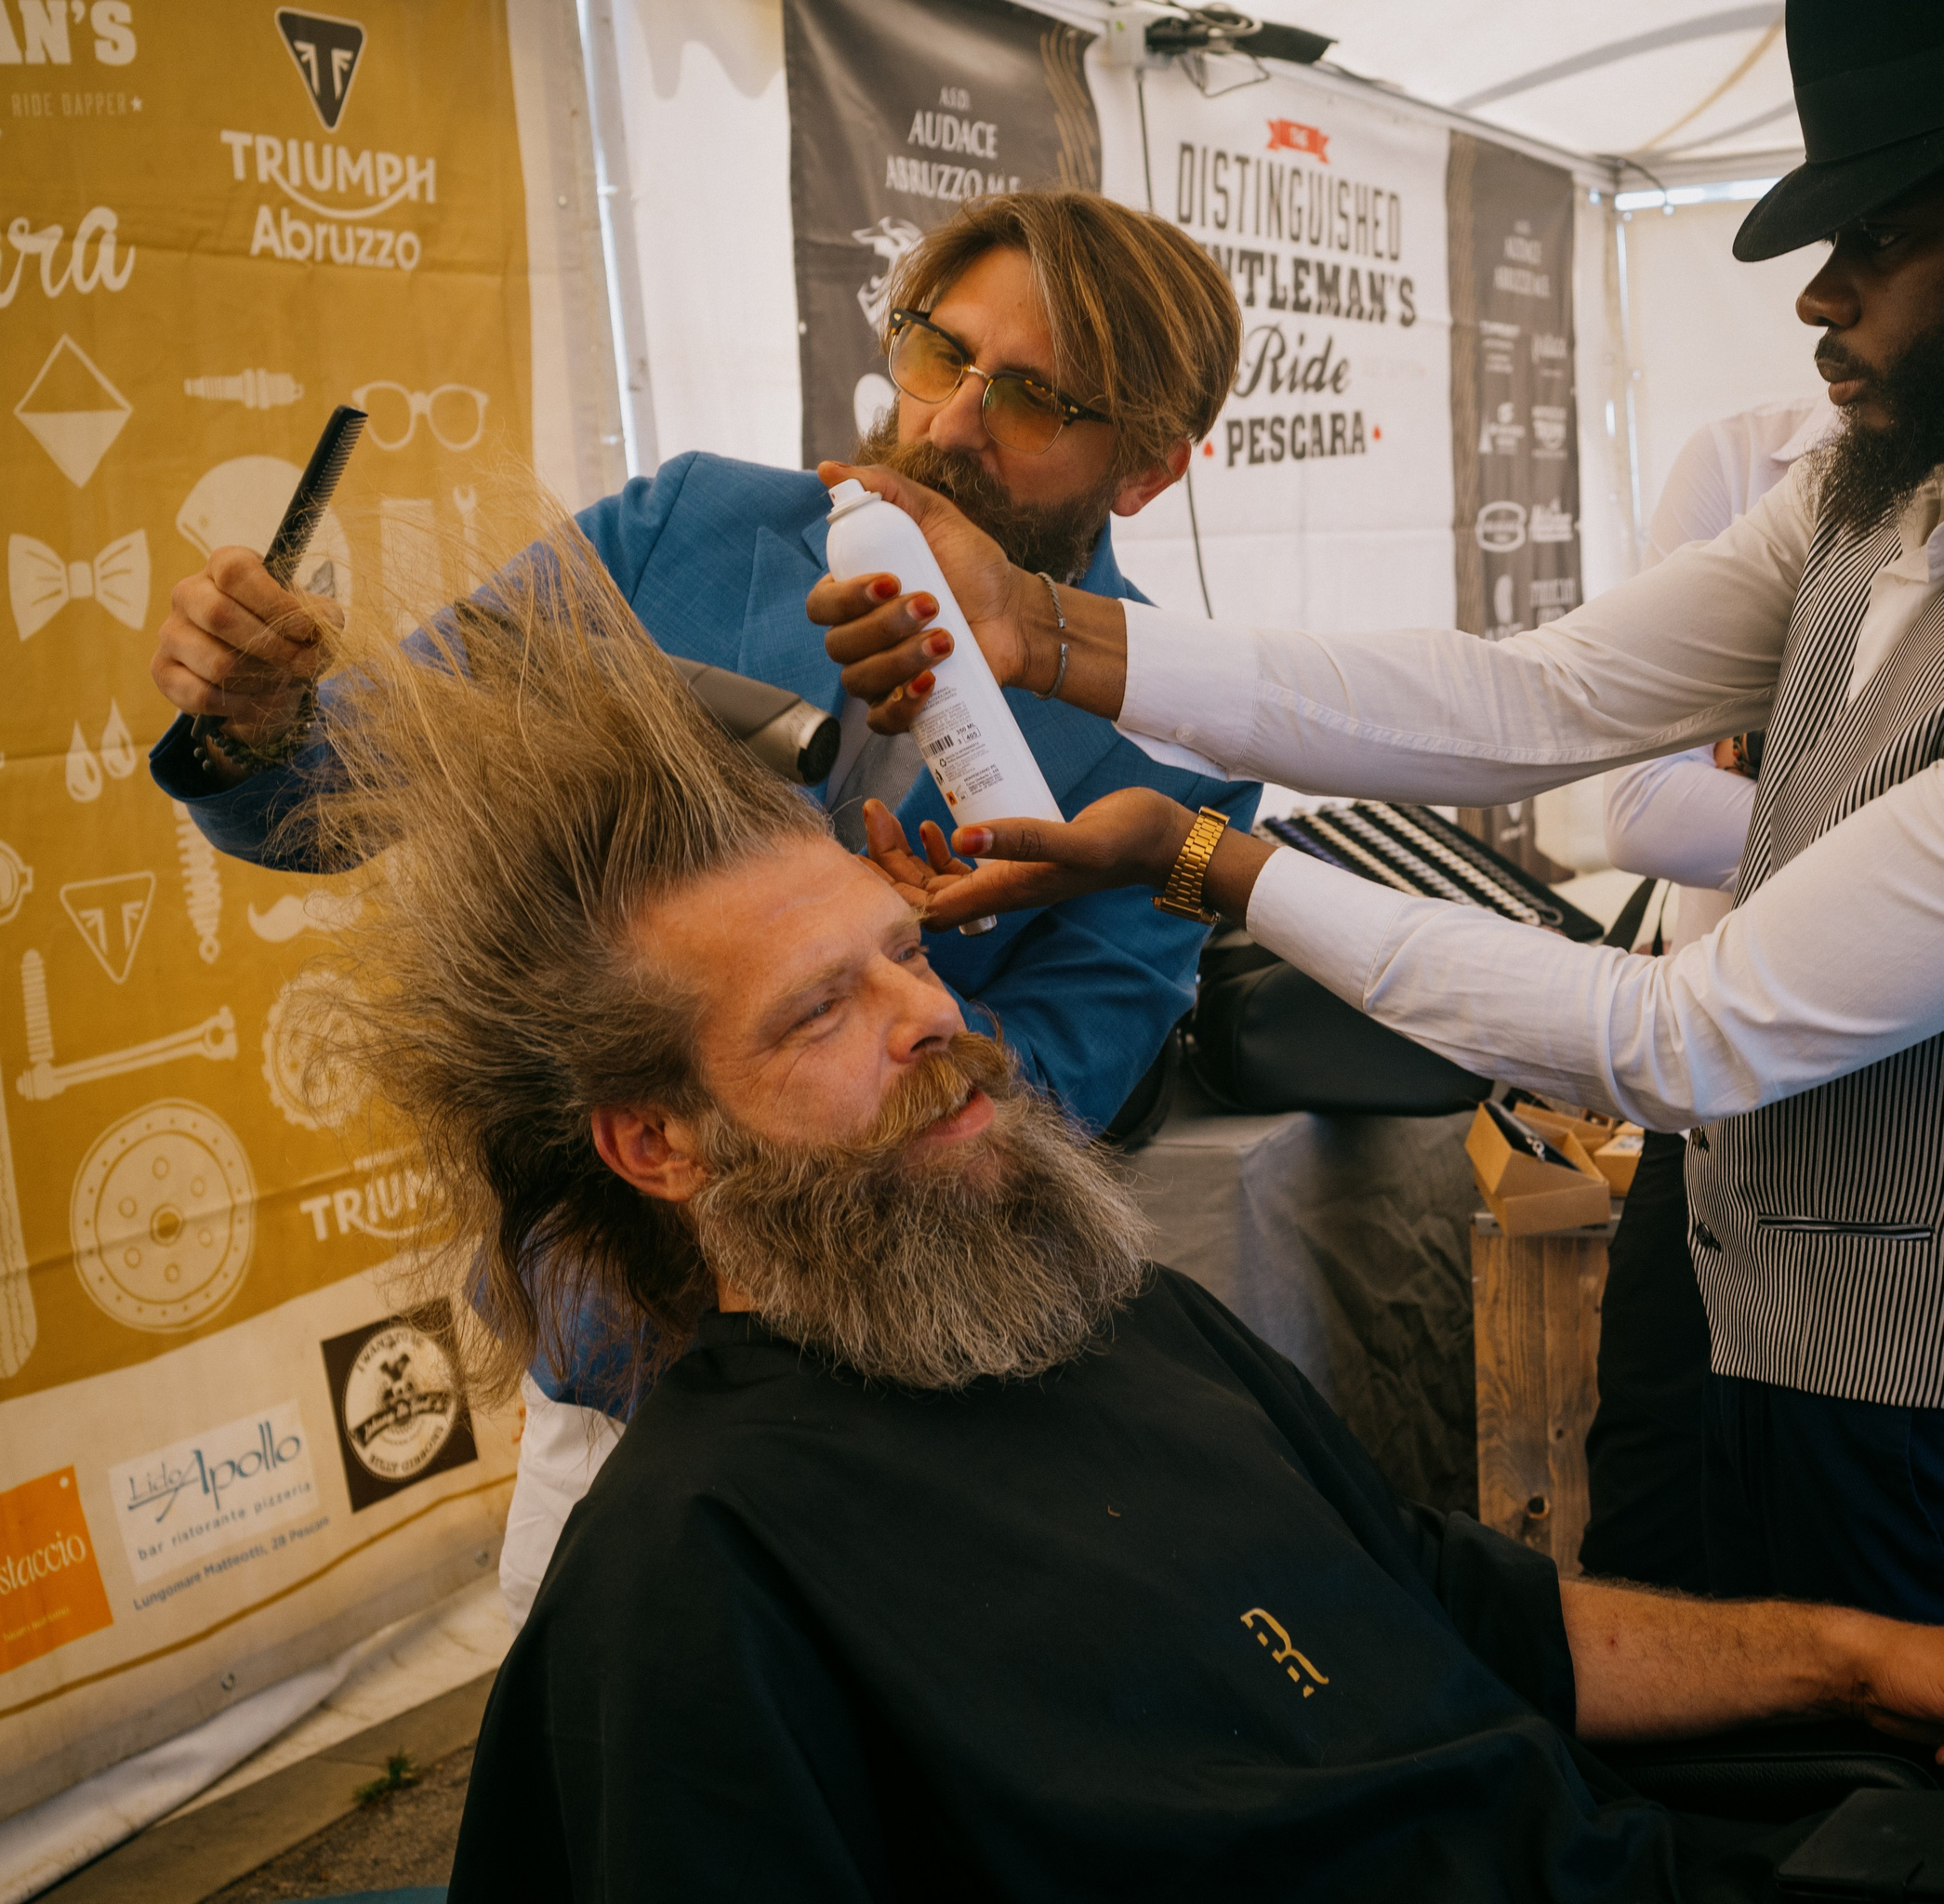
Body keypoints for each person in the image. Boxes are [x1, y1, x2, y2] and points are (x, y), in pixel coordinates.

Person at [292, 510, 1944, 1902]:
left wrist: (1843, 1656)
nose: (937, 1023)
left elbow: (1447, 1601)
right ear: (656, 1144)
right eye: (822, 1012)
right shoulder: (701, 1575)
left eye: (907, 951)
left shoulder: (1101, 1310)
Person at [813, 2, 1944, 1808]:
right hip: (1694, 1340)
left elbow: (1686, 1038)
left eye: (1879, 241)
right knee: (1673, 1839)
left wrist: (1205, 860)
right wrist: (1047, 631)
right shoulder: (1881, 490)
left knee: (1918, 1863)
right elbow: (1527, 696)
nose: (1814, 296)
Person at [140, 190, 1260, 1620]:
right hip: (615, 1363)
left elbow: (1068, 1089)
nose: (949, 425)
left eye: (1037, 398)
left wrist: (847, 969)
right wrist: (255, 714)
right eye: (939, 352)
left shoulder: (1178, 738)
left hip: (909, 1382)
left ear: (1149, 470)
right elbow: (338, 785)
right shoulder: (691, 528)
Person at [1580, 392, 1831, 1594]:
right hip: (1717, 1077)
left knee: (1871, 1485)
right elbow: (1640, 805)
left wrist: (1773, 762)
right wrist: (1936, 818)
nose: (1832, 294)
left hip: (1935, 1091)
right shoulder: (1741, 461)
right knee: (1653, 1476)